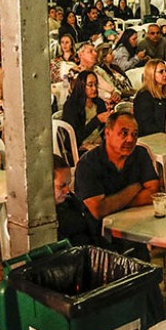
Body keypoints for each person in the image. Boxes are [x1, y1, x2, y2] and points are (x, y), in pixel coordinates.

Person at [73, 111, 159, 259]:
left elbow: (154, 193)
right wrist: (135, 188)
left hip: (137, 229)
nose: (130, 139)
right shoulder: (88, 164)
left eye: (135, 134)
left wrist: (113, 203)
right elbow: (99, 210)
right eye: (123, 133)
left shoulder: (140, 154)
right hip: (99, 239)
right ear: (107, 133)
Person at [53, 154, 102, 246]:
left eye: (68, 184)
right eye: (62, 186)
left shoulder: (72, 202)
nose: (67, 191)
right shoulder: (42, 222)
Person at [62, 70, 110, 151]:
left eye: (95, 84)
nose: (94, 88)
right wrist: (97, 120)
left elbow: (104, 130)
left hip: (100, 144)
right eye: (90, 85)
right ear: (82, 85)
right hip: (81, 146)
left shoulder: (99, 103)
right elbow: (72, 139)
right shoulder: (71, 106)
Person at [133, 60, 166, 135]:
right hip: (149, 137)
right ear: (151, 74)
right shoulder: (143, 96)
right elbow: (146, 126)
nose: (165, 74)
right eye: (161, 72)